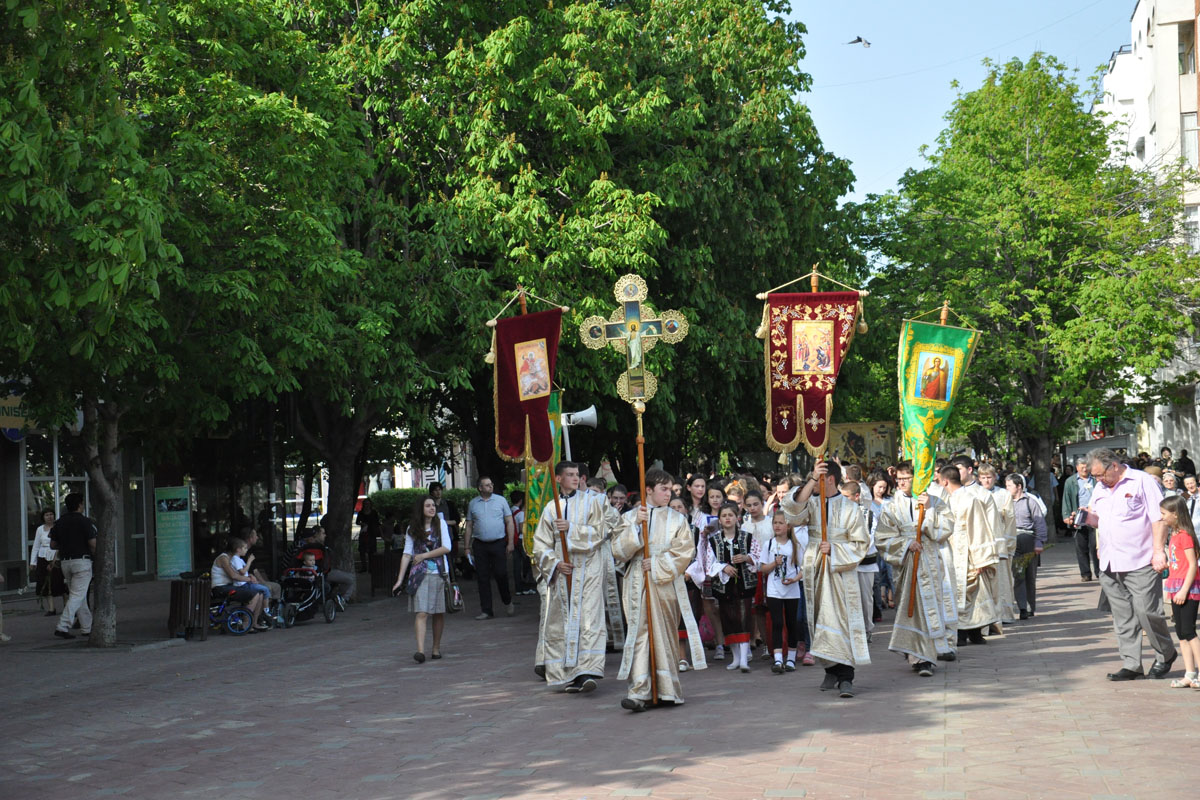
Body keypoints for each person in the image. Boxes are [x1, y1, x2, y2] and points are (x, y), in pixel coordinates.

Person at [612, 469, 705, 711]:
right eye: (664, 489)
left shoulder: (677, 519)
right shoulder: (631, 518)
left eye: (671, 489)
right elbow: (618, 551)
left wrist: (655, 564)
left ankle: (666, 689)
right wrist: (636, 531)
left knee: (664, 634)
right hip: (637, 583)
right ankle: (639, 691)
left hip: (664, 584)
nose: (669, 493)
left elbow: (685, 551)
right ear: (649, 490)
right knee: (640, 633)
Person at [532, 461, 627, 693]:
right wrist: (555, 564)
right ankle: (568, 673)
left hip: (589, 569)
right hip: (563, 571)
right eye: (570, 475)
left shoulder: (593, 502)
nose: (576, 479)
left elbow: (602, 532)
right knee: (563, 621)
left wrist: (572, 529)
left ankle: (588, 671)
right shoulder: (549, 509)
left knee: (589, 618)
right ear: (558, 479)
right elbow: (540, 544)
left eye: (577, 475)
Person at [1083, 448, 1178, 680]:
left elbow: (1159, 518)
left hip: (1140, 559)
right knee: (1122, 615)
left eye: (1100, 474)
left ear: (1114, 466)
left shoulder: (1142, 481)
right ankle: (1131, 663)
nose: (1097, 479)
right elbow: (1098, 519)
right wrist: (1084, 518)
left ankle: (1165, 653)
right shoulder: (1100, 487)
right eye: (1094, 476)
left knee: (1147, 611)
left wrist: (1158, 552)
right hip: (1109, 561)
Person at [781, 459, 870, 698]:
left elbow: (861, 543)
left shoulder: (850, 508)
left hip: (840, 570)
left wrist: (836, 550)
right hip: (815, 568)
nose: (815, 483)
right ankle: (830, 668)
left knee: (839, 619)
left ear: (830, 479)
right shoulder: (811, 503)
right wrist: (811, 479)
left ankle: (846, 676)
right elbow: (791, 511)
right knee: (819, 617)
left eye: (819, 478)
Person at [876, 464, 955, 676]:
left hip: (929, 564)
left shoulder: (936, 502)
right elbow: (882, 539)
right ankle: (915, 653)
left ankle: (924, 659)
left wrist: (929, 511)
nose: (901, 482)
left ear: (917, 479)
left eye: (907, 478)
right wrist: (905, 544)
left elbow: (945, 530)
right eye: (899, 478)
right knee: (911, 610)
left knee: (928, 608)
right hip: (906, 566)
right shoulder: (891, 507)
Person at [941, 464, 1000, 646]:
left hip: (968, 552)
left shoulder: (969, 499)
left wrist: (981, 558)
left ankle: (972, 631)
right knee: (955, 592)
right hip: (951, 551)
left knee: (972, 592)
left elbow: (979, 528)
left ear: (945, 481)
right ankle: (961, 631)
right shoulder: (946, 500)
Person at [698, 502, 760, 673]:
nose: (727, 518)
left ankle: (744, 658)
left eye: (730, 515)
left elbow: (758, 557)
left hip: (744, 585)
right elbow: (709, 563)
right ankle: (735, 658)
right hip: (724, 587)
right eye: (724, 516)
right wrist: (723, 567)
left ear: (736, 518)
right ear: (719, 519)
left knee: (744, 618)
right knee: (728, 620)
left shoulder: (747, 537)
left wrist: (747, 558)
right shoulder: (714, 540)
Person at [392, 496, 452, 662]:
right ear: (421, 509)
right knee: (422, 612)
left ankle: (435, 648)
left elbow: (446, 547)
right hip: (420, 575)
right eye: (428, 506)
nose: (432, 508)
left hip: (439, 573)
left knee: (438, 612)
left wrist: (424, 555)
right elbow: (406, 554)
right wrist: (399, 580)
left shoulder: (441, 524)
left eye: (433, 505)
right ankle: (420, 651)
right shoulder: (412, 528)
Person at [1160, 495, 1200, 687]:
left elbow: (1193, 565)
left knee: (1189, 630)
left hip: (1188, 587)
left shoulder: (1185, 536)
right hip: (1176, 585)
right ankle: (1190, 673)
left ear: (1175, 515)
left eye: (1164, 514)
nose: (1162, 518)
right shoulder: (1174, 535)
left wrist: (1184, 590)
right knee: (1181, 632)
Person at [464, 476, 516, 620]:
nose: (490, 487)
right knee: (482, 577)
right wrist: (467, 547)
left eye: (491, 484)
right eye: (487, 485)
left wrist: (510, 542)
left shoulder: (501, 501)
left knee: (501, 573)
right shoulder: (473, 503)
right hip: (480, 544)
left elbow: (509, 522)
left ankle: (507, 600)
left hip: (498, 542)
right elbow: (469, 525)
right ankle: (486, 610)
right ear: (480, 488)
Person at [759, 509, 804, 673]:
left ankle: (791, 658)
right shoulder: (769, 544)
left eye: (781, 523)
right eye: (775, 523)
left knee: (792, 622)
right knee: (777, 623)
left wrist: (795, 579)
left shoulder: (795, 545)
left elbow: (803, 568)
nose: (777, 526)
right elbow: (763, 567)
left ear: (788, 525)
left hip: (791, 590)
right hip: (774, 590)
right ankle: (778, 659)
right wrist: (774, 564)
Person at [49, 493, 96, 640]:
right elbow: (93, 544)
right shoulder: (85, 521)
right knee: (77, 596)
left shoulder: (60, 522)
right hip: (82, 561)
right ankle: (62, 626)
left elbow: (52, 544)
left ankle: (87, 627)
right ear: (80, 504)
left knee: (78, 596)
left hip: (65, 563)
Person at [1008, 474, 1046, 621]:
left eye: (1010, 485)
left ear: (1018, 487)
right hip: (1013, 541)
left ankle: (1030, 606)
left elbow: (1039, 523)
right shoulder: (1005, 502)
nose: (1007, 488)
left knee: (1030, 576)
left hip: (1029, 540)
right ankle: (1022, 607)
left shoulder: (1031, 501)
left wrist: (1039, 542)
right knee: (1018, 575)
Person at [211, 538, 271, 631]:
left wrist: (250, 576)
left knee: (260, 594)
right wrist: (249, 579)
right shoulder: (223, 558)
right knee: (254, 594)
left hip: (229, 586)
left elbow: (239, 573)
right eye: (244, 548)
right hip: (221, 588)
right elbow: (233, 575)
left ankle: (253, 623)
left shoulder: (234, 559)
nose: (246, 550)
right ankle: (246, 623)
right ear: (237, 549)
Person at [1062, 457, 1100, 582]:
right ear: (1077, 468)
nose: (1084, 469)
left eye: (1086, 466)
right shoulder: (1070, 481)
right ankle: (1085, 573)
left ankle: (1099, 572)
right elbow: (1066, 499)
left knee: (1096, 545)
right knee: (1081, 547)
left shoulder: (1095, 479)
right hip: (1079, 517)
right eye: (1082, 467)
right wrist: (1066, 515)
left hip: (1094, 516)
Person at [29, 508, 65, 616]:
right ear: (43, 517)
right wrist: (33, 562)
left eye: (51, 514)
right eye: (47, 515)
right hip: (43, 557)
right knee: (44, 582)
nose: (49, 517)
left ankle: (67, 606)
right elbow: (36, 546)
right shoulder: (40, 529)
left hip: (55, 557)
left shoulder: (58, 527)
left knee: (58, 581)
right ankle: (51, 608)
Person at [509, 491, 536, 596]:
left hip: (513, 540)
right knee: (527, 564)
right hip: (521, 540)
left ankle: (518, 588)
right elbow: (521, 529)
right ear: (521, 501)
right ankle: (526, 587)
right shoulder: (520, 514)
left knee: (516, 564)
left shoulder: (510, 511)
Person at [356, 498, 382, 572]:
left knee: (372, 551)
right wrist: (362, 524)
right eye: (365, 504)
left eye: (368, 504)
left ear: (370, 505)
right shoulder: (360, 513)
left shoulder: (374, 513)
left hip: (372, 533)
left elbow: (377, 523)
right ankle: (364, 567)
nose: (367, 505)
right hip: (364, 533)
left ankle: (371, 567)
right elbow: (357, 522)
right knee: (362, 551)